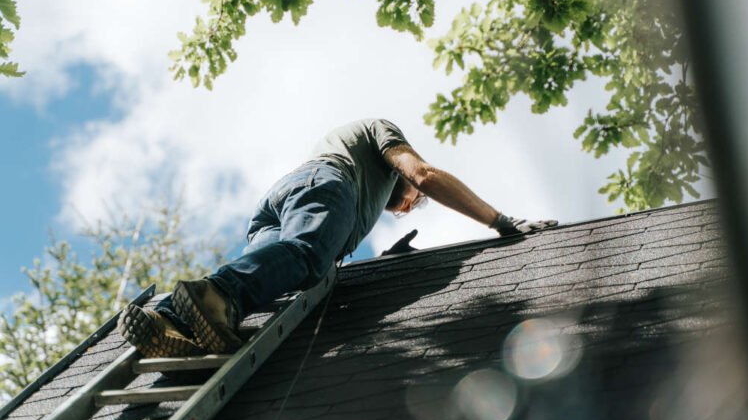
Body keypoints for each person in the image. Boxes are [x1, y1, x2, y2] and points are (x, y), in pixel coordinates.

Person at [118, 119, 556, 357]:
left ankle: (168, 321)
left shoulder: (355, 171)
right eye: (408, 203)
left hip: (280, 199)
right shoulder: (382, 137)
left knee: (267, 279)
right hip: (324, 185)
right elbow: (423, 173)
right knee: (308, 257)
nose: (404, 208)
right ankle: (218, 293)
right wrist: (501, 221)